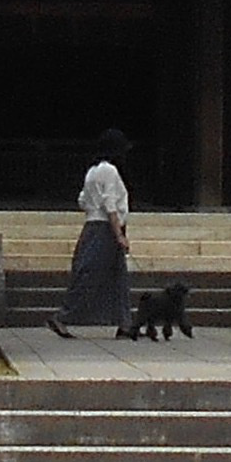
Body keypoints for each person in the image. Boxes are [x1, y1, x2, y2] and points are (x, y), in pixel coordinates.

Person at [53, 128, 133, 337]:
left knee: (118, 276)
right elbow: (110, 205)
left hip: (94, 224)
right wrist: (119, 234)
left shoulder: (93, 171)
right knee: (90, 274)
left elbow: (82, 200)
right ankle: (63, 316)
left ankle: (125, 323)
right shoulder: (109, 171)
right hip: (105, 228)